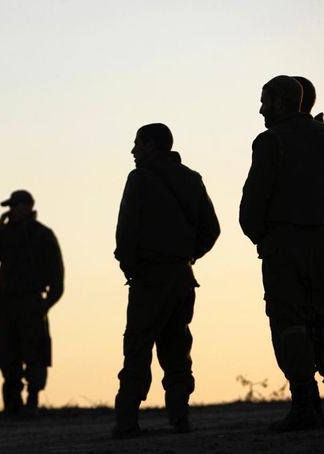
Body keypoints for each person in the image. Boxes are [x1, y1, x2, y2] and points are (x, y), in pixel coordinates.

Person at [240, 76, 324, 431]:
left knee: (290, 324)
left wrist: (261, 235)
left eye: (265, 101)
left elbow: (253, 203)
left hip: (285, 247)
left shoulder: (269, 142)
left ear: (281, 103)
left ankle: (305, 408)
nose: (261, 109)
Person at [112, 123, 220, 438]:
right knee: (176, 349)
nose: (133, 151)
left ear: (151, 146)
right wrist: (187, 256)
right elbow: (211, 229)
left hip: (150, 277)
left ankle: (127, 421)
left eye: (137, 144)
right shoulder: (191, 179)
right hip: (182, 278)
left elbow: (127, 229)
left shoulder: (140, 178)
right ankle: (180, 418)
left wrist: (130, 265)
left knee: (137, 348)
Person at [0, 190, 64, 414]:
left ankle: (33, 400)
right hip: (6, 305)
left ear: (27, 206)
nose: (12, 211)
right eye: (11, 207)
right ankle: (12, 404)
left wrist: (45, 305)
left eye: (15, 205)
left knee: (35, 353)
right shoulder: (5, 233)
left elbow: (57, 277)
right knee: (7, 355)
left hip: (31, 304)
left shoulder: (43, 235)